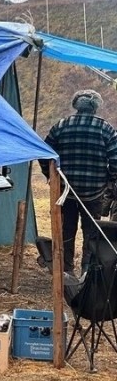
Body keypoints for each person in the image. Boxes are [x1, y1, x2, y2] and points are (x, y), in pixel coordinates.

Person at [39, 89, 117, 276]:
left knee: (67, 229)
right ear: (96, 107)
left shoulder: (61, 125)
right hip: (94, 192)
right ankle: (87, 270)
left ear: (75, 105)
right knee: (92, 231)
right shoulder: (106, 129)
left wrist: (51, 176)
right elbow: (115, 160)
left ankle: (66, 269)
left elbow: (44, 153)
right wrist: (110, 179)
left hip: (66, 190)